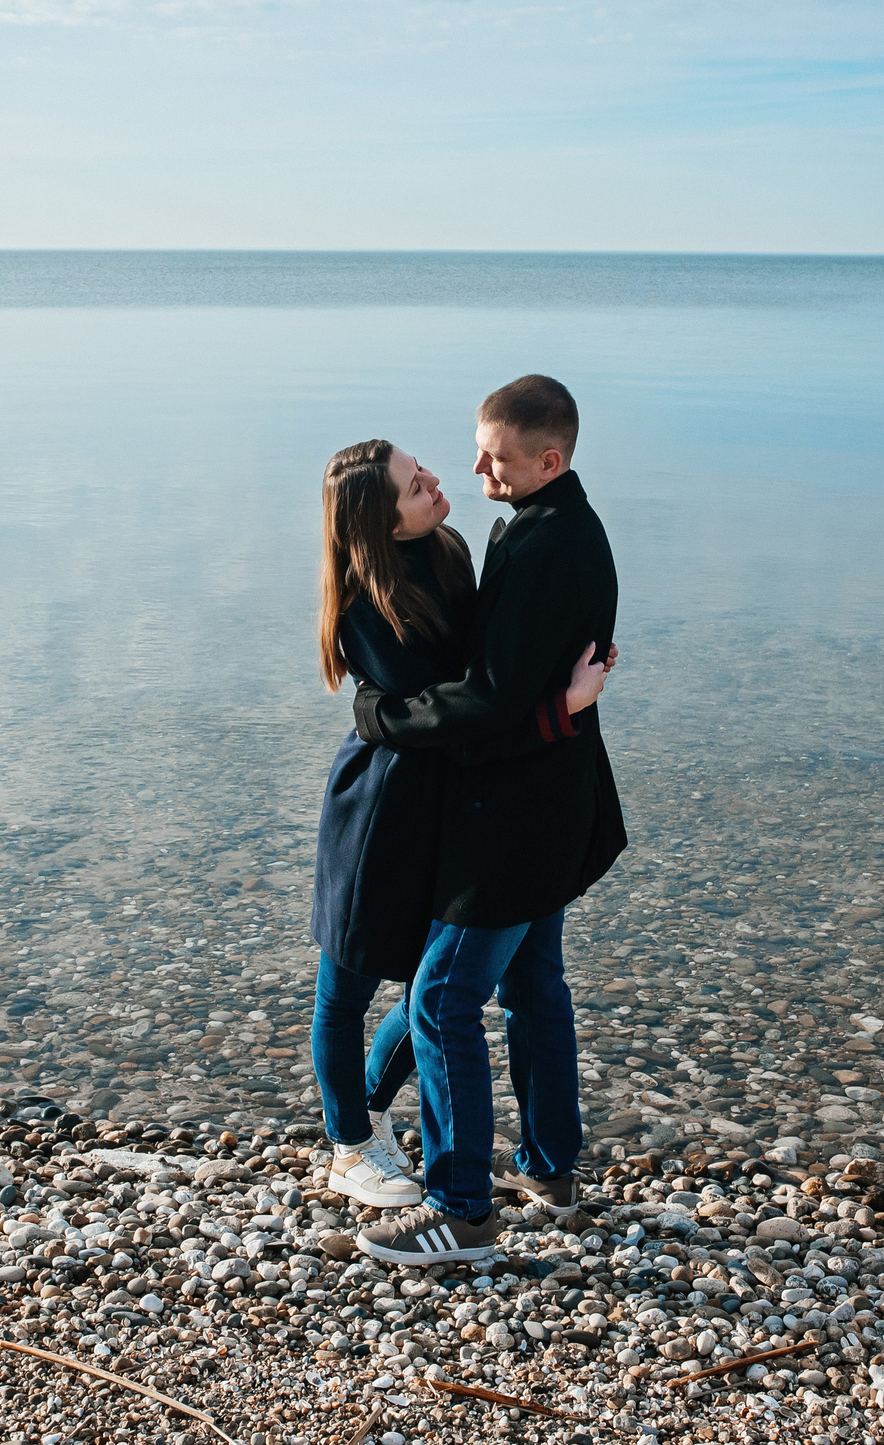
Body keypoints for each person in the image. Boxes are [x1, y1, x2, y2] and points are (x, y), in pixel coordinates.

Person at [345, 376, 628, 1267]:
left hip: (516, 818)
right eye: (475, 447)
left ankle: (462, 1208)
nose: (476, 469)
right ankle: (550, 1170)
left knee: (441, 997)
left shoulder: (547, 546)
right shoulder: (547, 524)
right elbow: (521, 682)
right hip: (553, 804)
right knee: (534, 985)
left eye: (495, 457)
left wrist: (382, 715)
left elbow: (495, 699)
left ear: (547, 460)